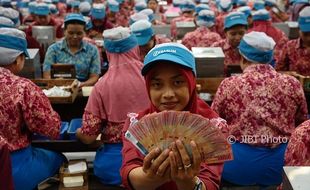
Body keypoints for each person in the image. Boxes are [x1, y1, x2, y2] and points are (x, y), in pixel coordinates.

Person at [121, 43, 229, 190]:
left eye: (178, 82)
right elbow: (129, 171)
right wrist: (152, 177)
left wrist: (187, 182)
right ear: (148, 87)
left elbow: (210, 183)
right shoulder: (136, 123)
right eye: (157, 84)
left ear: (191, 82)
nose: (168, 94)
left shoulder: (213, 126)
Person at [211, 31, 308, 187]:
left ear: (242, 58)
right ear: (271, 59)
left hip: (238, 166)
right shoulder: (292, 84)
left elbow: (214, 124)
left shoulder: (229, 84)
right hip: (281, 166)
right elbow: (302, 124)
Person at [76, 26, 149, 185]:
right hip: (152, 161)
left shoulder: (102, 85)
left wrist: (77, 132)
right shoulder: (152, 77)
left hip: (115, 165)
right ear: (134, 48)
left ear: (108, 53)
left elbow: (88, 137)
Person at [0, 28, 65, 190]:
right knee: (60, 159)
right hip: (15, 166)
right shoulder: (23, 87)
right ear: (18, 59)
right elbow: (51, 128)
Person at [43, 13, 101, 87]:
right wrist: (57, 83)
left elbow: (94, 76)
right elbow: (47, 75)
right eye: (70, 33)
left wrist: (81, 85)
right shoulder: (53, 49)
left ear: (85, 33)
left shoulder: (92, 50)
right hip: (59, 90)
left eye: (79, 33)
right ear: (64, 31)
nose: (75, 36)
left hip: (82, 90)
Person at [276, 7, 310, 76]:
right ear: (299, 30)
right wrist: (289, 74)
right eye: (305, 34)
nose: (309, 38)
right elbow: (277, 71)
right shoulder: (290, 47)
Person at [211, 11, 248, 76]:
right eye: (233, 34)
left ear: (246, 30)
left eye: (241, 33)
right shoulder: (217, 48)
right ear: (225, 33)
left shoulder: (252, 48)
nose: (237, 37)